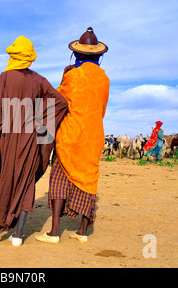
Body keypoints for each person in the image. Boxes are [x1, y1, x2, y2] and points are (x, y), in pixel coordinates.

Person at [0, 36, 68, 246]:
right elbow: (60, 101)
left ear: (14, 55)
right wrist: (39, 121)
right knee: (26, 183)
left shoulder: (6, 77)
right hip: (30, 140)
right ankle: (18, 236)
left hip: (7, 138)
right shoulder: (39, 80)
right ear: (30, 57)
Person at [35, 27, 110, 244]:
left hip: (70, 134)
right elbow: (101, 108)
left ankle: (55, 231)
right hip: (93, 135)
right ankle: (83, 232)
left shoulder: (73, 75)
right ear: (98, 56)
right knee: (88, 180)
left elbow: (59, 100)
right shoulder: (104, 79)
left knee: (59, 179)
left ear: (76, 54)